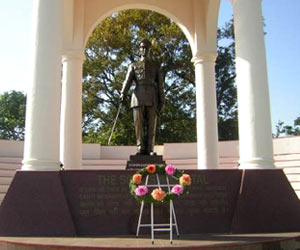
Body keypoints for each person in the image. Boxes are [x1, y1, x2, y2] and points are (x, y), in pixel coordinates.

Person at [120, 39, 164, 155]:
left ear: (150, 50)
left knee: (151, 125)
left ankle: (150, 148)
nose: (144, 50)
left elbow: (160, 85)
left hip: (152, 96)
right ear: (139, 50)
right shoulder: (133, 65)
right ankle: (140, 147)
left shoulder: (156, 65)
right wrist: (123, 92)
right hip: (137, 96)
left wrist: (162, 100)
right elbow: (127, 81)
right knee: (138, 125)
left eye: (147, 48)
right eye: (142, 47)